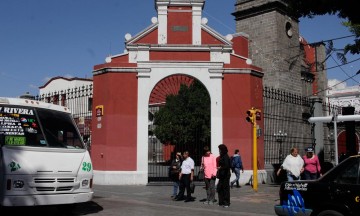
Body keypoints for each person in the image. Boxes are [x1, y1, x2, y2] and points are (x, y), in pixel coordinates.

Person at [216, 144, 231, 208]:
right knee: (220, 188)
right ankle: (221, 202)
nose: (219, 151)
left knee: (225, 189)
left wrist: (220, 168)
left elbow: (227, 166)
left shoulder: (225, 156)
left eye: (220, 149)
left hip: (225, 175)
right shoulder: (222, 156)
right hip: (221, 176)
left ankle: (226, 203)